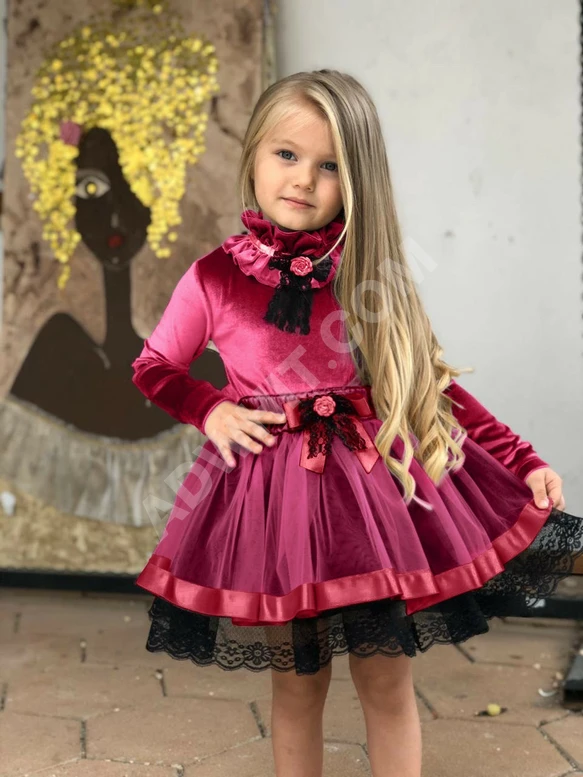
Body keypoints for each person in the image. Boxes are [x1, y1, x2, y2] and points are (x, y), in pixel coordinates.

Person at [131, 70, 583, 777]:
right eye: (287, 154)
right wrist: (209, 408)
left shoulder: (369, 273)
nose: (303, 179)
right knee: (297, 685)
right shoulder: (214, 277)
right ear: (253, 153)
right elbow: (155, 365)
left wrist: (522, 459)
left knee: (385, 681)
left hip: (373, 509)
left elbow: (433, 387)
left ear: (357, 179)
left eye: (330, 166)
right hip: (278, 513)